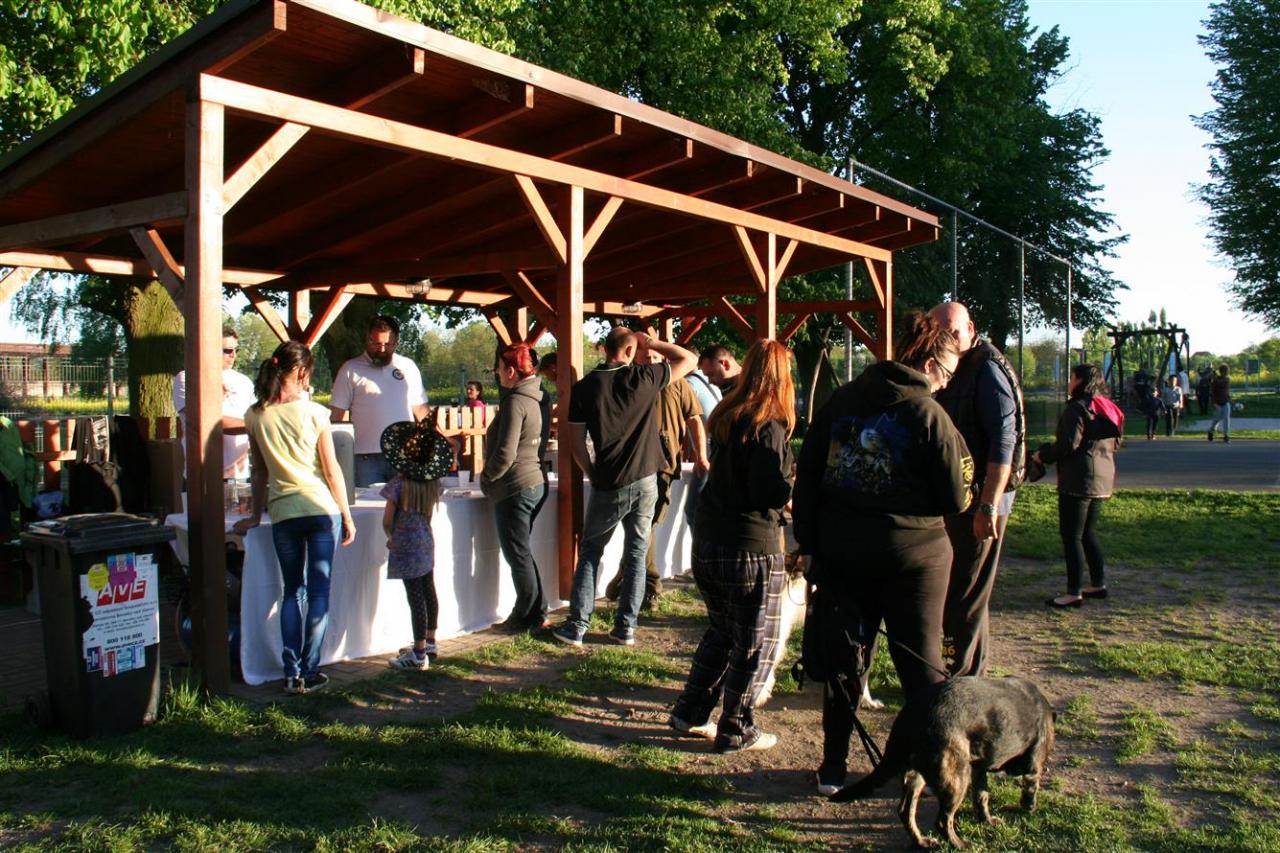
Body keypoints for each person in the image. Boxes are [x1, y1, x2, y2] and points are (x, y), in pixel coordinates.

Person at [792, 312, 973, 796]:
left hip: (843, 553)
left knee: (846, 660)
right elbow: (958, 496)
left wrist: (808, 544)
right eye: (948, 375)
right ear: (930, 366)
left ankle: (833, 767)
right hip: (915, 556)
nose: (946, 385)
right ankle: (933, 767)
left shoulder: (841, 400)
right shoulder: (930, 415)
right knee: (922, 663)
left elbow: (807, 476)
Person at [669, 339, 795, 753]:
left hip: (711, 540)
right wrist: (792, 484)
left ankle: (691, 711)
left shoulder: (727, 414)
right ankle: (737, 728)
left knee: (722, 632)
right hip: (749, 546)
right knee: (754, 642)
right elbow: (769, 490)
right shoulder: (767, 424)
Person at [550, 328, 697, 647]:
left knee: (591, 551)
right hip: (646, 478)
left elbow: (575, 442)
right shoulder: (644, 378)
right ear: (631, 351)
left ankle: (577, 625)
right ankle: (626, 627)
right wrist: (652, 342)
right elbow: (689, 359)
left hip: (609, 480)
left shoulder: (584, 387)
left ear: (605, 349)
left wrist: (591, 472)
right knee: (637, 553)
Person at [233, 341, 355, 695]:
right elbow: (331, 470)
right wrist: (347, 515)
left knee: (292, 592)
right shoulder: (315, 413)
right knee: (319, 592)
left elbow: (259, 472)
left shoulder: (255, 415)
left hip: (283, 512)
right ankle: (310, 669)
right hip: (320, 509)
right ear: (301, 372)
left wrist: (254, 515)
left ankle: (291, 672)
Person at [929, 301, 1025, 678]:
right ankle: (970, 672)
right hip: (962, 495)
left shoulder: (986, 369)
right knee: (967, 591)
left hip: (984, 498)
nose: (948, 338)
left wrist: (988, 505)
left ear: (970, 329)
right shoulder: (955, 367)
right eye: (939, 332)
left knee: (963, 591)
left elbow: (1004, 441)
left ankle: (958, 676)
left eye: (953, 331)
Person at [605, 334, 708, 609]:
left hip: (666, 464)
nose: (650, 360)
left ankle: (626, 571)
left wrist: (701, 455)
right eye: (645, 357)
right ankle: (650, 585)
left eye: (654, 356)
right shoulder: (632, 382)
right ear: (634, 358)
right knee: (644, 524)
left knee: (645, 525)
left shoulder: (677, 382)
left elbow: (695, 419)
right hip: (638, 465)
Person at [1033, 364, 1123, 607]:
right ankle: (1098, 583)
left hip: (1078, 479)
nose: (1069, 382)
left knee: (1071, 536)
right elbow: (1116, 443)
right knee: (1087, 533)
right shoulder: (1108, 407)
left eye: (1072, 377)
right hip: (1103, 478)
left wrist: (1042, 455)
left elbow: (1068, 444)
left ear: (1081, 380)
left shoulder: (1077, 408)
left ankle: (1073, 592)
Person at [483, 342, 551, 633]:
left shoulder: (515, 401)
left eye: (499, 368)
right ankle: (537, 612)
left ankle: (525, 615)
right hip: (534, 480)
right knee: (522, 552)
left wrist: (487, 478)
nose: (497, 373)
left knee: (517, 554)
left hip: (515, 485)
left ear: (511, 370)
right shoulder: (540, 396)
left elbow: (505, 453)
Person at [379, 419, 454, 668]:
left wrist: (391, 537)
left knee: (415, 597)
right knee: (428, 589)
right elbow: (429, 515)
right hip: (425, 541)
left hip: (404, 544)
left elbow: (387, 520)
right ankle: (430, 641)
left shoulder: (398, 485)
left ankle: (419, 653)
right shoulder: (431, 485)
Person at [330, 316, 429, 486]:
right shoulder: (350, 369)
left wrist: (440, 438)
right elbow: (336, 414)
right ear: (367, 339)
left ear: (397, 342)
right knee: (366, 501)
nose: (381, 349)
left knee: (405, 502)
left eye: (388, 344)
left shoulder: (408, 366)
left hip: (403, 453)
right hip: (365, 457)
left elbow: (420, 409)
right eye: (376, 343)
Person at [172, 324, 256, 480]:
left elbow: (255, 416)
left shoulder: (244, 381)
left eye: (236, 350)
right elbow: (203, 421)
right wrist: (258, 426)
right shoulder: (186, 378)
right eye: (227, 350)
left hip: (239, 475)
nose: (233, 355)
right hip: (201, 476)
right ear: (210, 349)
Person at [683, 352, 724, 527]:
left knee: (693, 509)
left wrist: (696, 456)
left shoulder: (688, 384)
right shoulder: (710, 383)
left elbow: (687, 423)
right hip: (718, 452)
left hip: (707, 456)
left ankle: (701, 545)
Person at [1208, 365, 1231, 443]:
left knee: (1226, 418)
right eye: (1225, 371)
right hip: (1217, 402)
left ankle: (1226, 435)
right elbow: (1212, 392)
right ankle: (1211, 431)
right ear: (1222, 372)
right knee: (1217, 418)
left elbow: (1226, 389)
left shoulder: (1227, 379)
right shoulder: (1215, 380)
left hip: (1226, 401)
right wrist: (1214, 403)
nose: (1227, 373)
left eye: (1227, 371)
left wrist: (1230, 400)